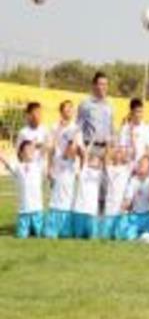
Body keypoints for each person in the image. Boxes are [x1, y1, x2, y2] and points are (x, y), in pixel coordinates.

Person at [45, 103, 82, 239]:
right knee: (55, 197)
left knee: (68, 197)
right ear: (61, 111)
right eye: (67, 109)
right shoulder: (54, 128)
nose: (70, 111)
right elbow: (50, 149)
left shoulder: (76, 129)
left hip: (70, 168)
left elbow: (78, 150)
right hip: (57, 167)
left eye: (71, 109)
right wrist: (48, 168)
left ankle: (66, 228)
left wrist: (79, 167)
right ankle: (52, 229)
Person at [1, 140, 45, 238]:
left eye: (31, 150)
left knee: (40, 234)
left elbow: (46, 148)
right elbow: (6, 162)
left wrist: (36, 144)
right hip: (23, 210)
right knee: (21, 235)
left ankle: (35, 229)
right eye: (27, 149)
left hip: (37, 209)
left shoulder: (38, 165)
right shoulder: (18, 167)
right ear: (21, 153)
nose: (30, 151)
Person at [76, 71, 114, 158]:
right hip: (89, 149)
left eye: (106, 84)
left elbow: (111, 128)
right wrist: (81, 147)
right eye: (101, 84)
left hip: (105, 150)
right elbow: (78, 128)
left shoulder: (110, 105)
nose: (104, 87)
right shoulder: (85, 104)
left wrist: (112, 146)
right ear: (94, 85)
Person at [121, 157, 149, 240]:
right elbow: (128, 200)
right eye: (141, 165)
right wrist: (125, 206)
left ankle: (143, 234)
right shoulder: (133, 181)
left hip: (147, 215)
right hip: (135, 215)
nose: (142, 168)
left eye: (146, 166)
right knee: (130, 237)